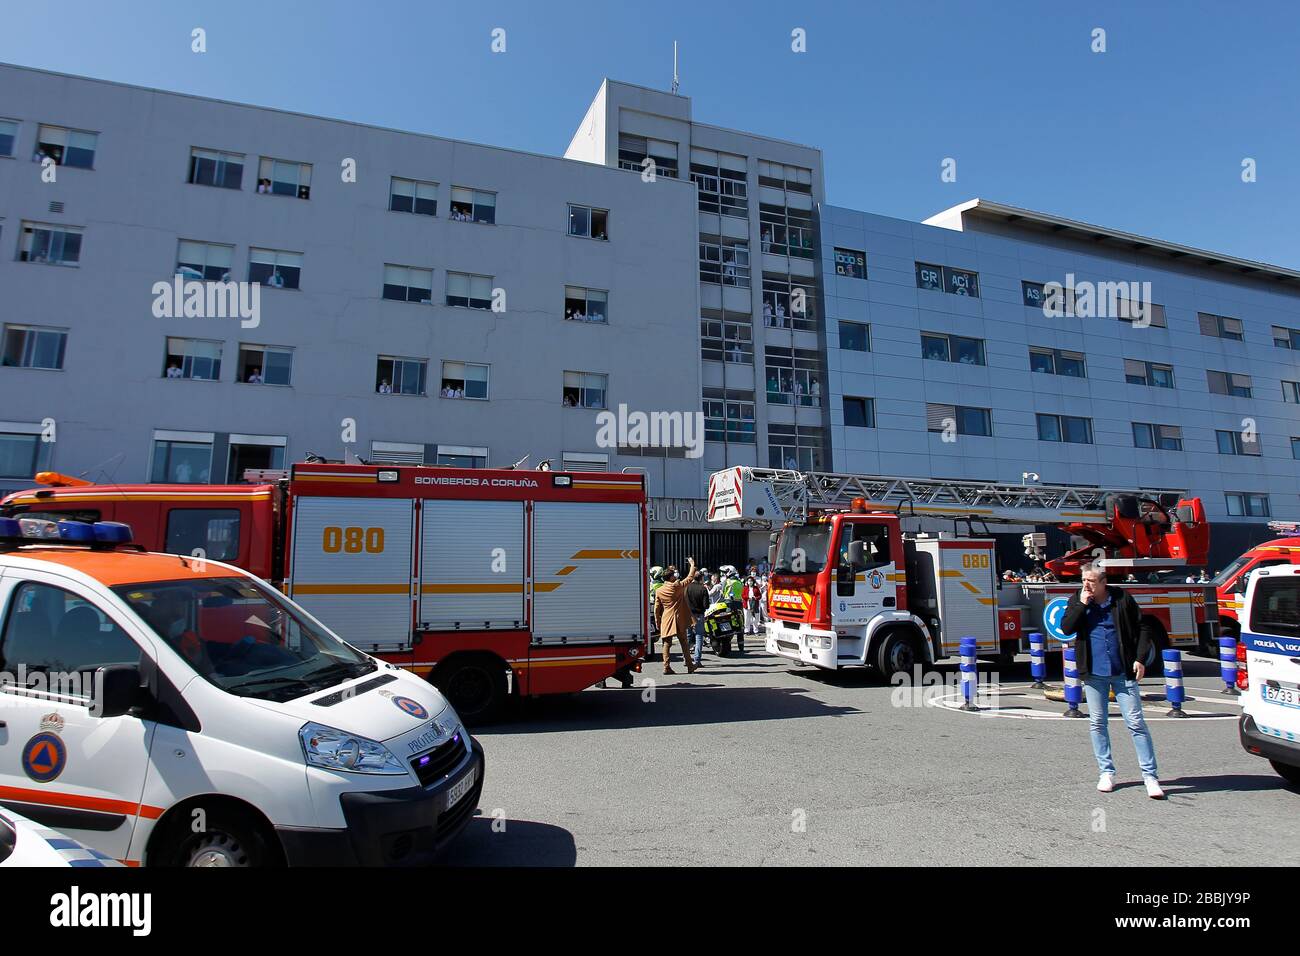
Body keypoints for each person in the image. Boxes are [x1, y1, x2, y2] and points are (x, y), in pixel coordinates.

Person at [1060, 566, 1165, 799]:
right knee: (1097, 722)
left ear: (1104, 582)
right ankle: (1106, 772)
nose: (1087, 585)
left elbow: (1143, 627)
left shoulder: (1121, 598)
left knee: (1135, 722)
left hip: (1122, 670)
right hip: (1094, 672)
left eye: (1092, 581)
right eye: (1084, 580)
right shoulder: (1077, 600)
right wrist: (1082, 604)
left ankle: (1150, 776)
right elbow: (1066, 628)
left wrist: (1139, 658)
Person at [653, 559, 698, 675]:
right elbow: (690, 578)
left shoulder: (659, 590)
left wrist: (658, 622)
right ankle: (689, 665)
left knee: (666, 644)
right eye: (674, 574)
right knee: (684, 642)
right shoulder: (677, 586)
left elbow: (657, 609)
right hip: (679, 619)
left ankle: (666, 666)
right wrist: (692, 564)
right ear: (671, 577)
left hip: (666, 618)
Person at [685, 570, 710, 667]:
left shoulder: (687, 587)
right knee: (699, 636)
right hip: (699, 614)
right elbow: (706, 605)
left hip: (688, 614)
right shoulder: (703, 589)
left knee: (688, 636)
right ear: (701, 578)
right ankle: (697, 660)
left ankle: (686, 658)